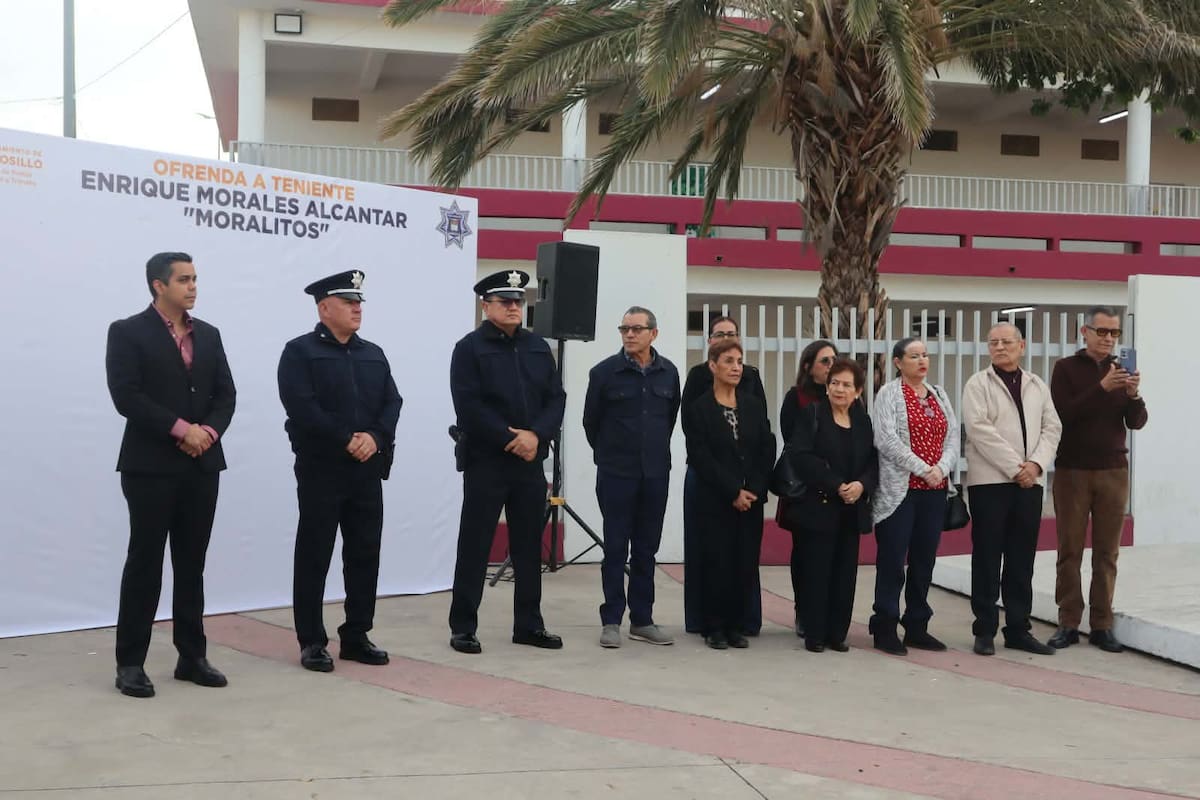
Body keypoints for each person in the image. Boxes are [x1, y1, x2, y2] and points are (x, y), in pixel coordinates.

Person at [105, 252, 236, 698]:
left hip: (202, 464)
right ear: (159, 285)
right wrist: (182, 430)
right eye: (184, 280)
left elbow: (225, 395)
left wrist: (208, 433)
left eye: (196, 278)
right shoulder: (127, 332)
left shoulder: (211, 336)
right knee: (145, 562)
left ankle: (191, 656)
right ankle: (130, 663)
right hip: (150, 466)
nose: (193, 287)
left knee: (191, 562)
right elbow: (127, 396)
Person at [278, 270, 402, 672]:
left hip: (366, 470)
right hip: (322, 470)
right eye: (349, 302)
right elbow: (302, 406)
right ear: (324, 307)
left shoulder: (374, 353)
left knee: (365, 553)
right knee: (315, 554)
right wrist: (346, 438)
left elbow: (392, 402)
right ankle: (312, 640)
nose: (357, 308)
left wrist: (375, 438)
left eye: (359, 302)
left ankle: (356, 635)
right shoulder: (299, 352)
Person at [447, 270, 566, 654]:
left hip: (529, 461)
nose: (514, 307)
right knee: (476, 544)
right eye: (505, 302)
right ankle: (463, 626)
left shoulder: (537, 347)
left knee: (529, 546)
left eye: (518, 301)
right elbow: (469, 406)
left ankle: (528, 625)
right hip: (487, 461)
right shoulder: (469, 348)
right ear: (486, 306)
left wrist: (536, 435)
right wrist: (510, 437)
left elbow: (555, 398)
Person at [1048, 306, 1148, 653]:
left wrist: (1133, 395)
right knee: (1069, 549)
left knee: (1107, 552)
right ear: (1084, 332)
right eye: (1102, 332)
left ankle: (1102, 624)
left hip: (1113, 470)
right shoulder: (1065, 369)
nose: (1108, 339)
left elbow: (1136, 422)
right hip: (1072, 470)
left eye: (1114, 334)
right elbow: (1063, 415)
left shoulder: (1121, 371)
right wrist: (1102, 388)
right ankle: (1068, 622)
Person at [961, 323, 1061, 657]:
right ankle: (984, 629)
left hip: (1030, 484)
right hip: (991, 482)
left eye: (1006, 342)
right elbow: (979, 430)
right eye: (993, 342)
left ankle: (1018, 629)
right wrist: (1016, 467)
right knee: (987, 556)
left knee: (1021, 559)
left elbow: (1052, 427)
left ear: (1022, 345)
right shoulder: (978, 384)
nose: (1000, 347)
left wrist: (1035, 465)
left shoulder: (1037, 385)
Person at [583, 306, 680, 648]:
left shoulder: (669, 373)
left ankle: (642, 619)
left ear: (654, 333)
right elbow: (590, 424)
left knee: (645, 549)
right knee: (614, 547)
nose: (629, 334)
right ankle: (611, 620)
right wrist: (612, 455)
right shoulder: (604, 373)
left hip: (655, 474)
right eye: (624, 328)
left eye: (636, 329)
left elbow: (668, 420)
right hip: (616, 474)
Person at [683, 338, 776, 650]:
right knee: (717, 561)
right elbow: (701, 455)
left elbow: (766, 447)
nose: (736, 367)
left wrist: (754, 488)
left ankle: (736, 625)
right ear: (713, 366)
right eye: (728, 361)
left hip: (750, 499)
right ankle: (714, 626)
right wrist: (732, 490)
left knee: (744, 562)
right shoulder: (700, 409)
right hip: (716, 499)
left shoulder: (751, 405)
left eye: (739, 361)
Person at [870, 338, 959, 655]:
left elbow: (952, 436)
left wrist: (942, 468)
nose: (922, 361)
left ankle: (917, 625)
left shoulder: (938, 394)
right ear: (897, 362)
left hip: (934, 491)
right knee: (893, 561)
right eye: (913, 356)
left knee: (924, 561)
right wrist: (923, 468)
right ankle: (885, 624)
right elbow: (886, 440)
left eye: (925, 355)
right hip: (901, 492)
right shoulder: (889, 394)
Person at [785, 358, 877, 652]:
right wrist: (836, 483)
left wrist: (861, 485)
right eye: (834, 383)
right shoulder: (813, 414)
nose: (839, 389)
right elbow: (801, 456)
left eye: (847, 384)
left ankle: (837, 633)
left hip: (851, 509)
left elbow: (873, 462)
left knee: (844, 574)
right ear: (826, 387)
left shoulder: (862, 421)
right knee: (816, 572)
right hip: (818, 507)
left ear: (858, 391)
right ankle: (815, 634)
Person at [777, 339, 837, 637]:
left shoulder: (842, 396)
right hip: (806, 490)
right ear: (808, 366)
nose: (831, 366)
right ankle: (804, 611)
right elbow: (793, 442)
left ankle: (828, 613)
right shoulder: (796, 398)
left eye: (834, 360)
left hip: (837, 489)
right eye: (825, 361)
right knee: (804, 554)